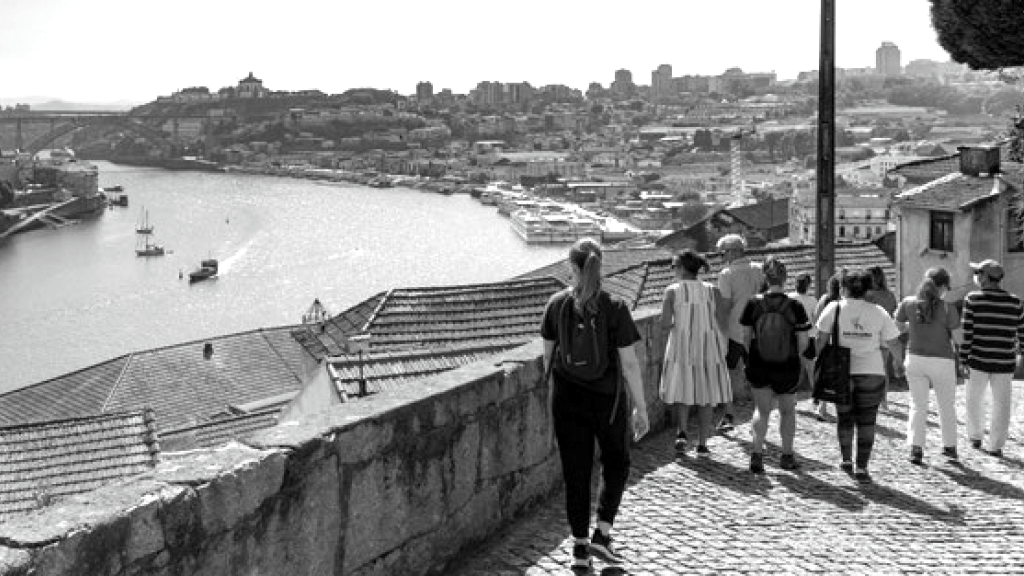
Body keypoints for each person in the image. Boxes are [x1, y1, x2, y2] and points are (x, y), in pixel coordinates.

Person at [541, 238, 650, 570]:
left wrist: (552, 404)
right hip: (608, 401)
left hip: (567, 399)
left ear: (572, 268)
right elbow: (629, 364)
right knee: (617, 462)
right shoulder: (615, 307)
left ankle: (579, 548)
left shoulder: (556, 304)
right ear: (599, 266)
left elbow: (547, 362)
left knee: (576, 472)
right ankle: (603, 533)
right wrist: (642, 407)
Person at [816, 268, 901, 482]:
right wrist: (900, 364)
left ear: (843, 288)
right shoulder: (879, 312)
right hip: (872, 371)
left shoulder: (833, 308)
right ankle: (862, 467)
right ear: (867, 290)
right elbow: (894, 343)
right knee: (867, 421)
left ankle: (846, 459)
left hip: (841, 373)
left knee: (844, 418)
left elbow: (819, 342)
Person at [740, 257, 811, 473]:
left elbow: (745, 337)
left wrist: (752, 355)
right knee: (787, 412)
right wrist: (794, 356)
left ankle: (757, 454)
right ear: (785, 278)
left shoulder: (753, 303)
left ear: (765, 277)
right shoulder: (795, 305)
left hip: (759, 363)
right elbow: (804, 340)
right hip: (787, 366)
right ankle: (787, 455)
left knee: (761, 411)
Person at [659, 249, 732, 456]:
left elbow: (665, 323)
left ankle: (682, 432)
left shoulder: (672, 290)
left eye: (673, 266)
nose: (673, 270)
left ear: (681, 268)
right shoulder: (712, 290)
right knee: (706, 394)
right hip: (708, 345)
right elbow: (722, 321)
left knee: (684, 387)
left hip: (682, 345)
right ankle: (702, 443)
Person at [894, 268, 961, 464]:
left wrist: (912, 327)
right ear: (941, 286)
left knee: (917, 404)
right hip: (942, 360)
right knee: (946, 405)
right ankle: (949, 446)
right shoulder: (948, 308)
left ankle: (916, 448)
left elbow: (896, 327)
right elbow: (959, 339)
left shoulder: (908, 303)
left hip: (915, 358)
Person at [961, 259, 1024, 458]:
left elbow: (967, 332)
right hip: (1005, 361)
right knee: (1002, 404)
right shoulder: (1016, 302)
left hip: (978, 358)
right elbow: (1022, 333)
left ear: (985, 278)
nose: (976, 276)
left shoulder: (972, 299)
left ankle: (975, 436)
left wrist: (963, 358)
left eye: (978, 273)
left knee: (973, 399)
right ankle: (996, 445)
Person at [715, 234, 765, 431]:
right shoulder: (760, 269)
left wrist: (719, 328)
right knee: (758, 373)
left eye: (722, 252)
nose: (721, 257)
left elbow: (725, 306)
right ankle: (760, 414)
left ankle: (729, 413)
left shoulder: (727, 274)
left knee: (726, 371)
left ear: (733, 251)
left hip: (735, 331)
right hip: (759, 331)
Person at [811, 270, 844, 421]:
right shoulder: (842, 303)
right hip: (839, 342)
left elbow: (816, 318)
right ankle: (826, 409)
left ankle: (821, 406)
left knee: (824, 373)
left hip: (824, 339)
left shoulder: (825, 299)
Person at [866, 265, 900, 411]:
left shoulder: (868, 295)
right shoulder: (890, 295)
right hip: (885, 335)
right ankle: (884, 400)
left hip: (871, 335)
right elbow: (895, 315)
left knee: (869, 369)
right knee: (883, 369)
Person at [788, 272, 819, 399]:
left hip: (793, 337)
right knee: (811, 369)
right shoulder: (813, 300)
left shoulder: (789, 298)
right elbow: (815, 320)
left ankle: (792, 396)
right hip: (809, 336)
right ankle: (816, 396)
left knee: (793, 368)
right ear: (809, 285)